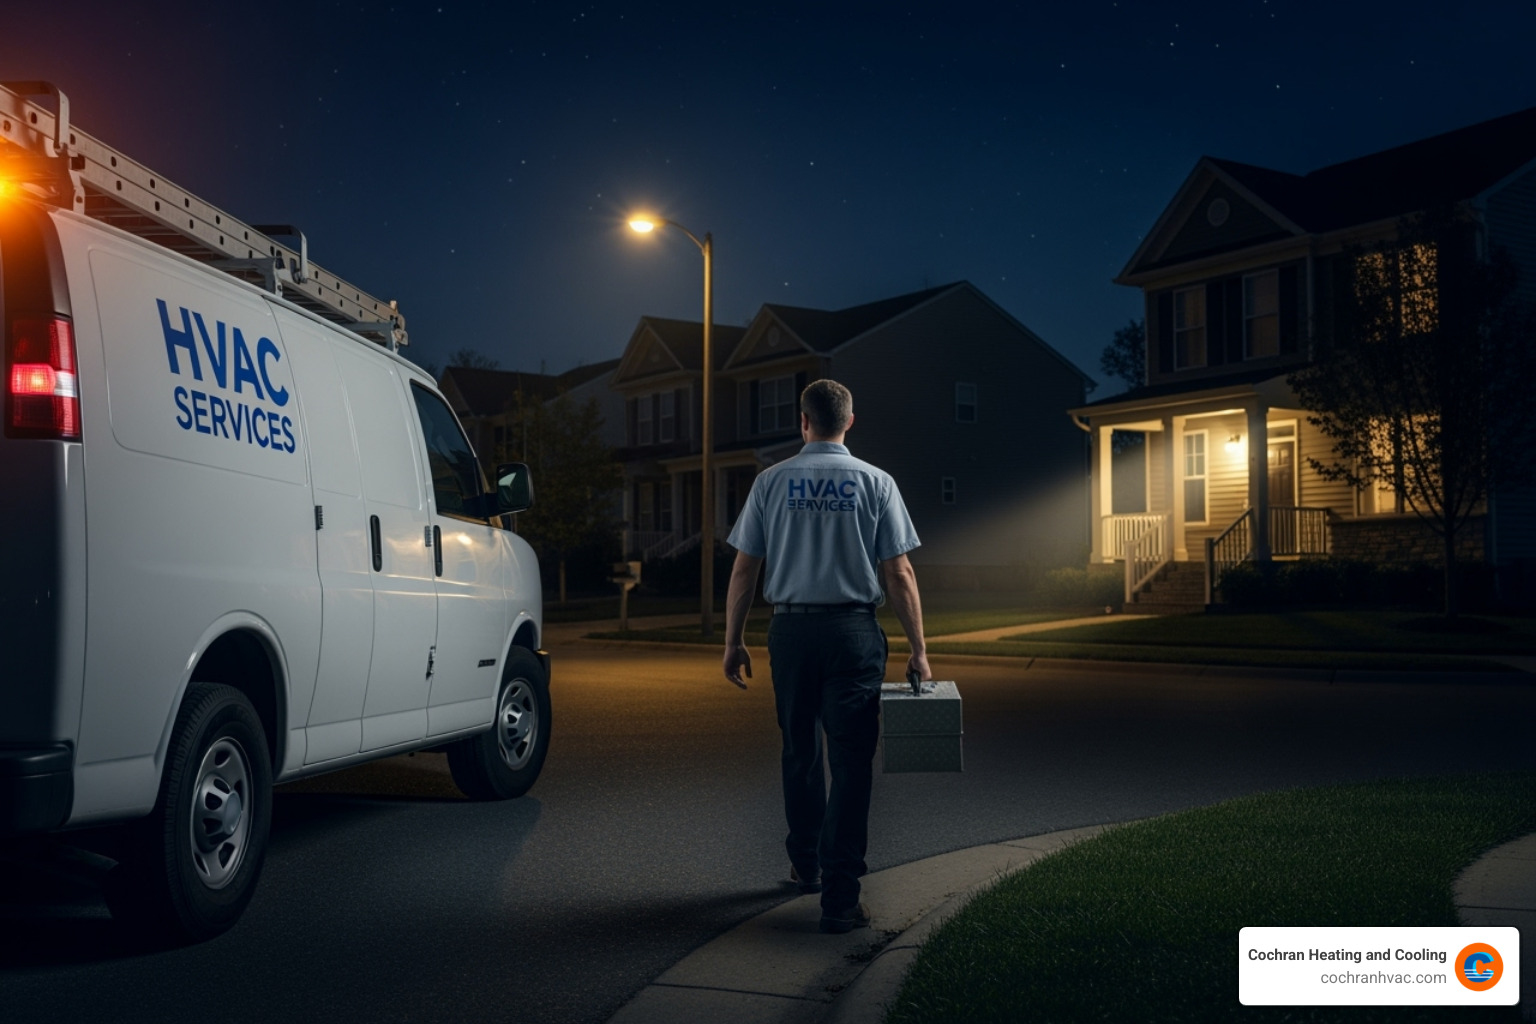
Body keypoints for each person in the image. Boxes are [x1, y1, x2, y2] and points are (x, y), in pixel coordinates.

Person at [722, 378, 929, 934]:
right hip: (854, 634)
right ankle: (840, 899)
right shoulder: (876, 482)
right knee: (852, 762)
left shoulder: (771, 481)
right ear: (850, 422)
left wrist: (733, 640)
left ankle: (806, 863)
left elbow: (745, 569)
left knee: (800, 753)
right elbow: (899, 572)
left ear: (803, 420)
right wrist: (919, 650)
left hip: (791, 633)